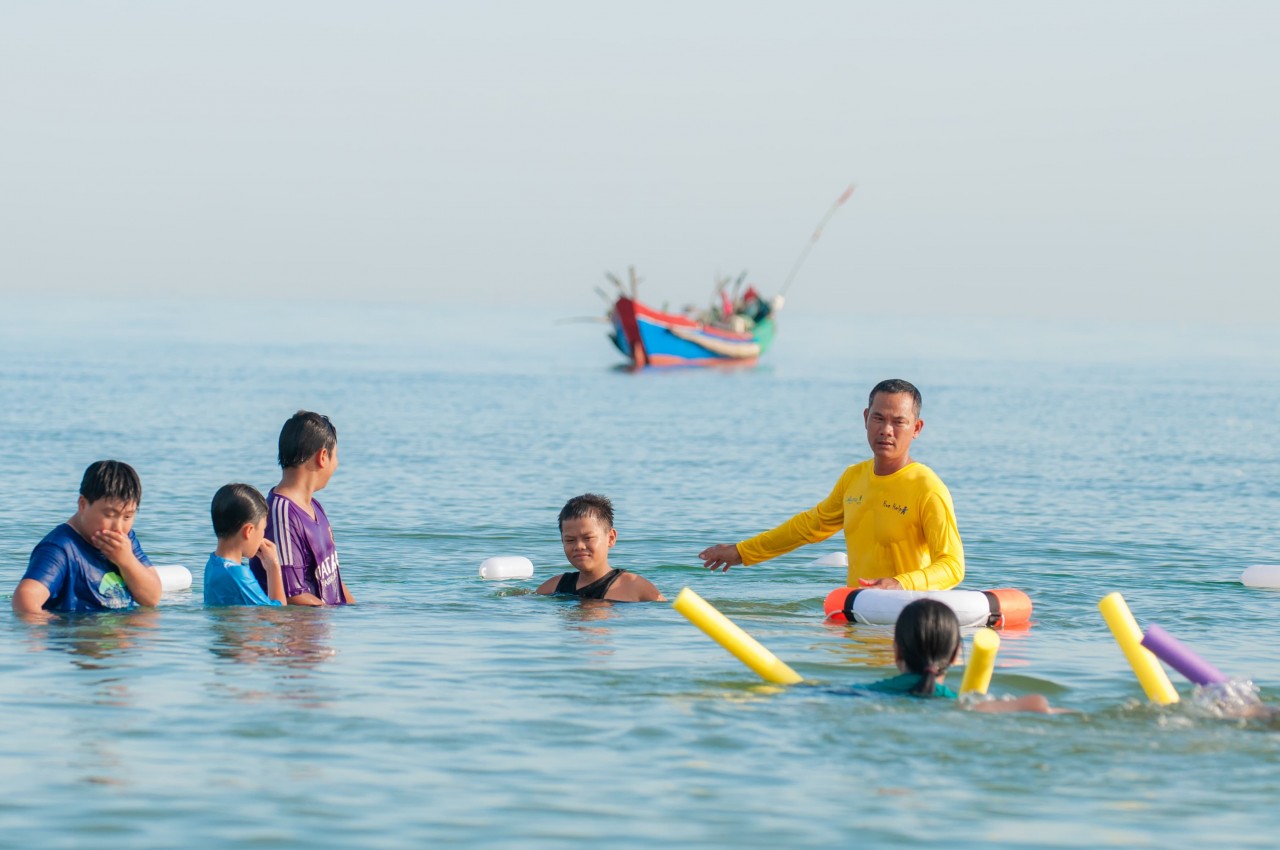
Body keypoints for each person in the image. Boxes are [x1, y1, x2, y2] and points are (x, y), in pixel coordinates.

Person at [699, 378, 963, 591]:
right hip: (858, 613)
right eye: (879, 418)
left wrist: (900, 583)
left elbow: (952, 566)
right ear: (865, 418)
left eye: (898, 422)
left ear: (916, 428)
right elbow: (807, 527)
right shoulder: (854, 477)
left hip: (908, 618)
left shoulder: (927, 487)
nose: (886, 430)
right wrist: (742, 552)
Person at [12, 460, 162, 614]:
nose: (118, 528)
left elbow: (152, 598)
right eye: (109, 515)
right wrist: (51, 625)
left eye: (127, 517)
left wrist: (127, 561)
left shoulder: (125, 541)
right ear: (82, 504)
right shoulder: (61, 548)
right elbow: (24, 598)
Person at [867, 599, 1062, 713]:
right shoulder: (963, 706)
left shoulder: (861, 693)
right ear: (955, 654)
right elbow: (1037, 704)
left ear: (897, 651)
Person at [250, 411, 354, 606]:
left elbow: (333, 581)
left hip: (323, 628)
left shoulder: (314, 506)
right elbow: (292, 596)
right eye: (336, 456)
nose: (337, 464)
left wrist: (359, 612)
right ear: (323, 456)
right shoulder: (282, 513)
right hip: (300, 632)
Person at [536, 494, 666, 602]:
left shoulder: (634, 586)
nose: (579, 546)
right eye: (570, 540)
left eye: (588, 538)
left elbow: (669, 615)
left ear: (611, 538)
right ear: (562, 541)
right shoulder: (554, 587)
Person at [204, 483, 287, 607]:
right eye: (263, 529)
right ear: (248, 531)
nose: (263, 537)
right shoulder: (237, 574)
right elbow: (276, 617)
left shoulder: (212, 564)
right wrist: (273, 568)